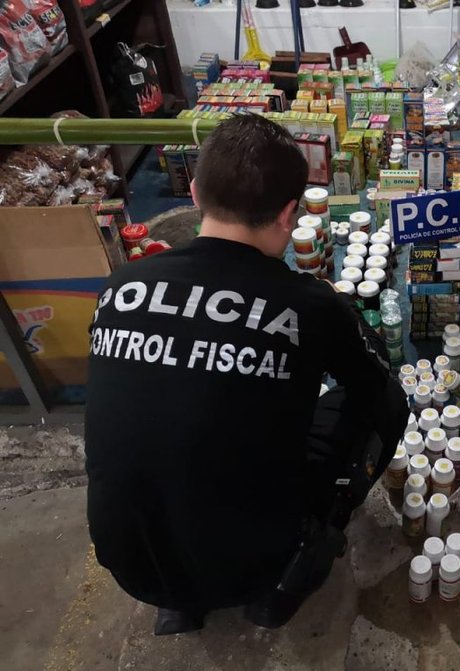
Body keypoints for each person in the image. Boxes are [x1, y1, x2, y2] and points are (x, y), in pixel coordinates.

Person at [84, 115, 408, 635]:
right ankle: (288, 572)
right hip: (248, 566)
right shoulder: (306, 304)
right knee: (387, 402)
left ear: (194, 193)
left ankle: (178, 600)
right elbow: (373, 383)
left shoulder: (121, 285)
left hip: (129, 561)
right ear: (289, 214)